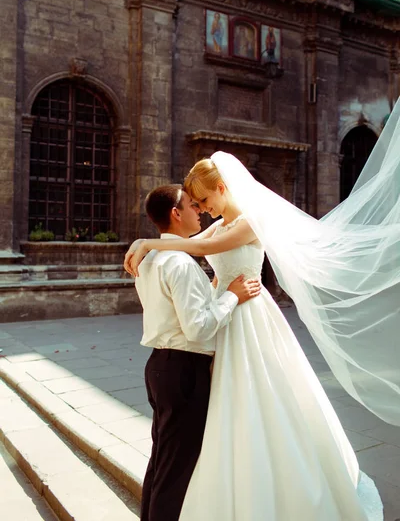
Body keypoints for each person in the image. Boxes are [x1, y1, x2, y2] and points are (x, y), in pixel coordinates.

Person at [125, 160, 385, 520]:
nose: (202, 210)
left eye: (203, 202)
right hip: (226, 311)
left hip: (249, 311)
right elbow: (185, 243)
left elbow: (195, 249)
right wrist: (158, 249)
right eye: (195, 206)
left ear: (222, 187)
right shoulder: (218, 227)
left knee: (264, 396)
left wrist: (144, 241)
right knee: (225, 407)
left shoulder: (251, 221)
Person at [133, 184, 261, 521]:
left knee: (161, 459)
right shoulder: (181, 264)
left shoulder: (149, 261)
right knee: (177, 471)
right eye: (193, 205)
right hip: (184, 371)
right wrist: (233, 295)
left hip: (159, 366)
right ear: (176, 214)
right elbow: (199, 328)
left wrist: (216, 292)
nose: (200, 211)